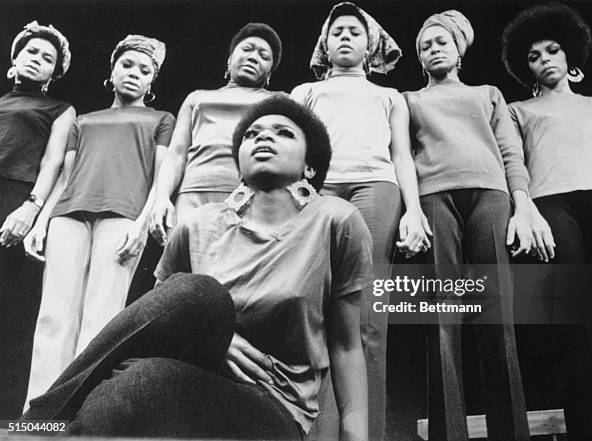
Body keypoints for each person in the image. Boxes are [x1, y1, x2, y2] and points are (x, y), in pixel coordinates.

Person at [23, 95, 371, 441]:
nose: (263, 137)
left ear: (310, 167)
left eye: (283, 132)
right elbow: (158, 321)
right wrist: (216, 339)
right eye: (251, 135)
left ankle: (38, 427)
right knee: (188, 305)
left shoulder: (335, 220)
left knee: (139, 380)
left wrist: (354, 437)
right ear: (239, 164)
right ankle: (39, 425)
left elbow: (346, 345)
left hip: (270, 403)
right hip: (186, 370)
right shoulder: (199, 224)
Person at [291, 4, 429, 439]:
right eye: (337, 32)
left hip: (377, 190)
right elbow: (294, 148)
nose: (346, 37)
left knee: (368, 316)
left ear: (371, 45)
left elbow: (402, 155)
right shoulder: (305, 92)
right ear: (325, 45)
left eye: (355, 31)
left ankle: (365, 432)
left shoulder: (390, 97)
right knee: (312, 307)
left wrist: (415, 210)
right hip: (319, 192)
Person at [403, 10, 540, 441]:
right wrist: (411, 211)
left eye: (441, 42)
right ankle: (449, 434)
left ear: (459, 50)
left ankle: (511, 431)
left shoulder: (488, 93)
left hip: (490, 195)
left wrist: (522, 205)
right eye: (425, 45)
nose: (433, 49)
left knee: (496, 316)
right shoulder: (408, 100)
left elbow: (510, 152)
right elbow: (401, 155)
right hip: (432, 198)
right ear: (419, 57)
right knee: (441, 319)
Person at [23, 35, 175, 409]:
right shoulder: (85, 120)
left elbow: (162, 176)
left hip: (122, 216)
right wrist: (40, 222)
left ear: (152, 81)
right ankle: (36, 414)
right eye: (127, 65)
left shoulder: (161, 119)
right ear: (112, 69)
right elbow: (64, 176)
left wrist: (142, 224)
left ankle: (78, 412)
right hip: (68, 214)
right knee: (53, 316)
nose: (134, 74)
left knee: (101, 317)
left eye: (144, 70)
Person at [503, 4, 592, 439]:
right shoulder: (517, 111)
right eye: (534, 56)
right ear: (525, 67)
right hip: (552, 209)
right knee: (573, 320)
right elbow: (516, 165)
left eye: (553, 50)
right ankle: (590, 428)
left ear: (570, 56)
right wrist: (524, 210)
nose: (545, 59)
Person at [0, 21, 74, 419]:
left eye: (48, 58)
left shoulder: (59, 110)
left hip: (16, 202)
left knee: (11, 313)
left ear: (54, 73)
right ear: (15, 59)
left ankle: (9, 419)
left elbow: (53, 162)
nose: (38, 60)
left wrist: (30, 207)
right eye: (32, 52)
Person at [150, 22, 281, 246]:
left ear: (269, 73)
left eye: (264, 56)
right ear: (229, 59)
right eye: (247, 49)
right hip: (193, 195)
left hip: (252, 197)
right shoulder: (197, 98)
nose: (253, 57)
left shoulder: (279, 101)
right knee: (186, 276)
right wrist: (161, 198)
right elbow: (176, 154)